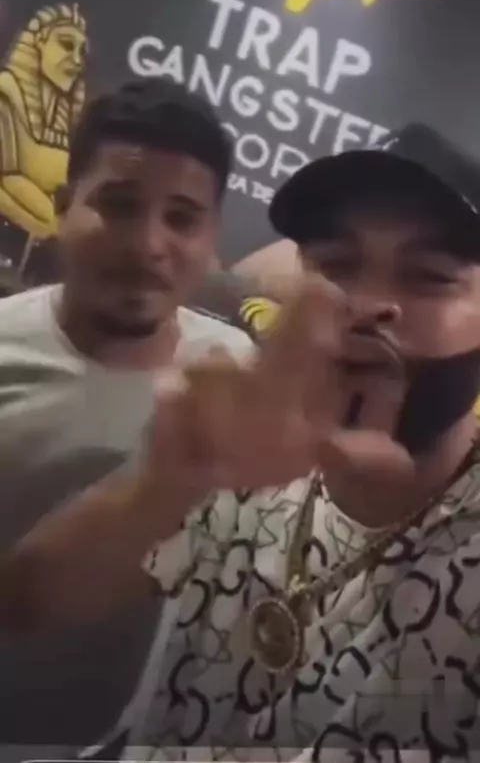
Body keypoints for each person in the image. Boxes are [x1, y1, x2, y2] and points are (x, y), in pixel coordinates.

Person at [3, 122, 480, 762]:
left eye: (429, 276)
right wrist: (164, 484)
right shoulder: (246, 445)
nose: (368, 302)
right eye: (337, 265)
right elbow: (26, 603)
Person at [0, 77, 252, 755]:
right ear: (62, 208)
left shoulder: (235, 370)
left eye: (182, 218)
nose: (148, 244)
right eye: (118, 205)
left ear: (212, 236)